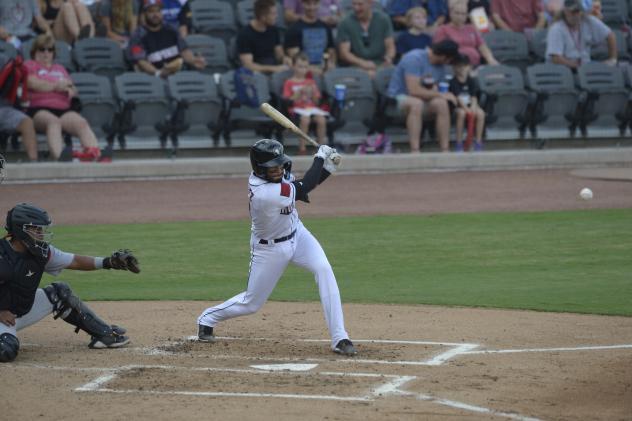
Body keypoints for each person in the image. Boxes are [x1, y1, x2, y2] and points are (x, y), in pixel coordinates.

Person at [197, 140, 357, 357]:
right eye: (273, 167)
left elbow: (302, 185)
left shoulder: (277, 177)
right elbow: (303, 187)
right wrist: (320, 158)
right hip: (269, 249)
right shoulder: (264, 192)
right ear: (260, 169)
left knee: (324, 269)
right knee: (251, 303)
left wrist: (328, 167)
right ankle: (207, 318)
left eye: (280, 165)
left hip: (298, 235)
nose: (279, 170)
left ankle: (340, 337)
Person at [0, 203, 140, 363]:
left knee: (60, 293)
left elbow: (74, 261)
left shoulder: (40, 252)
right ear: (20, 230)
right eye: (36, 229)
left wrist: (108, 262)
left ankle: (105, 335)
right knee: (6, 349)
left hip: (18, 313)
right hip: (2, 318)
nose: (40, 234)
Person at [24, 34, 102, 161]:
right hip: (39, 109)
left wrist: (71, 90)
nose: (46, 53)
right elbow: (32, 83)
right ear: (34, 51)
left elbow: (72, 87)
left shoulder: (60, 68)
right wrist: (57, 86)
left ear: (53, 53)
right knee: (54, 122)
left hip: (63, 108)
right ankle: (61, 159)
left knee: (81, 123)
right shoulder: (30, 65)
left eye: (49, 50)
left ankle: (94, 155)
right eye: (42, 49)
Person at [386, 40, 460, 152]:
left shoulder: (440, 67)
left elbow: (434, 88)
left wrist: (441, 94)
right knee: (417, 104)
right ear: (444, 57)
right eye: (449, 60)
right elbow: (413, 90)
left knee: (441, 104)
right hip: (399, 97)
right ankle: (415, 149)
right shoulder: (414, 59)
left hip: (423, 97)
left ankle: (445, 149)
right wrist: (441, 94)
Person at [127, 0, 205, 78]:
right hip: (154, 78)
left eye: (158, 11)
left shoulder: (171, 30)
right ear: (144, 14)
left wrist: (193, 60)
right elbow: (141, 61)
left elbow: (184, 50)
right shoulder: (137, 36)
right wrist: (158, 73)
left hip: (178, 75)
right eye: (151, 11)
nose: (155, 15)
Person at [546, 0, 616, 70]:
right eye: (573, 12)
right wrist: (579, 67)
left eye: (578, 11)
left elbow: (610, 35)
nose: (576, 15)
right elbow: (556, 58)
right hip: (564, 69)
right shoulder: (556, 28)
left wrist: (612, 59)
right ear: (565, 12)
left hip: (585, 66)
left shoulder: (588, 21)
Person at [336, 0, 395, 78]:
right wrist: (363, 63)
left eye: (360, 4)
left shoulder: (383, 19)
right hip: (355, 66)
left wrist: (389, 57)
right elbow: (344, 54)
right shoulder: (345, 22)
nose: (356, 8)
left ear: (370, 3)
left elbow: (390, 46)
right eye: (354, 4)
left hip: (380, 64)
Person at [283, 53, 327, 153]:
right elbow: (287, 101)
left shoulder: (310, 82)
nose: (303, 70)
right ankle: (302, 148)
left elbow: (317, 102)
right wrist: (298, 93)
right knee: (305, 120)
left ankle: (321, 148)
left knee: (322, 120)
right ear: (293, 66)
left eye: (305, 67)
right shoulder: (289, 82)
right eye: (300, 67)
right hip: (296, 110)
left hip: (310, 108)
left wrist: (313, 94)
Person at [433, 0, 498, 67]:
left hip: (476, 65)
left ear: (467, 15)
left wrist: (490, 59)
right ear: (450, 13)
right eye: (457, 13)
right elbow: (439, 52)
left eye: (463, 14)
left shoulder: (471, 28)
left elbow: (482, 46)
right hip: (455, 66)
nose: (460, 16)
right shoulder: (443, 29)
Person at [237, 0, 291, 74]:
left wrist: (285, 59)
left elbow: (279, 55)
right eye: (273, 14)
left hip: (274, 71)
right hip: (256, 74)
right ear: (263, 17)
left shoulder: (274, 29)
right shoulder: (245, 35)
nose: (277, 16)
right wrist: (273, 69)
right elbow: (248, 65)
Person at [284, 0, 337, 75]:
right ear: (302, 4)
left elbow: (331, 51)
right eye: (308, 4)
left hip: (324, 68)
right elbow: (294, 56)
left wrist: (330, 64)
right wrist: (310, 69)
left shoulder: (325, 27)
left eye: (315, 4)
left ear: (319, 4)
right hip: (304, 71)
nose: (312, 7)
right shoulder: (293, 30)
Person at [449, 54, 485, 152]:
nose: (461, 69)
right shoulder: (453, 82)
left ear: (469, 67)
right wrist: (466, 109)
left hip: (470, 105)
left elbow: (474, 96)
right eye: (458, 66)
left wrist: (473, 107)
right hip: (459, 107)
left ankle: (478, 141)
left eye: (464, 66)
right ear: (454, 67)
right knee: (462, 113)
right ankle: (459, 143)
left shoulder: (472, 80)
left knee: (480, 113)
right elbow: (458, 98)